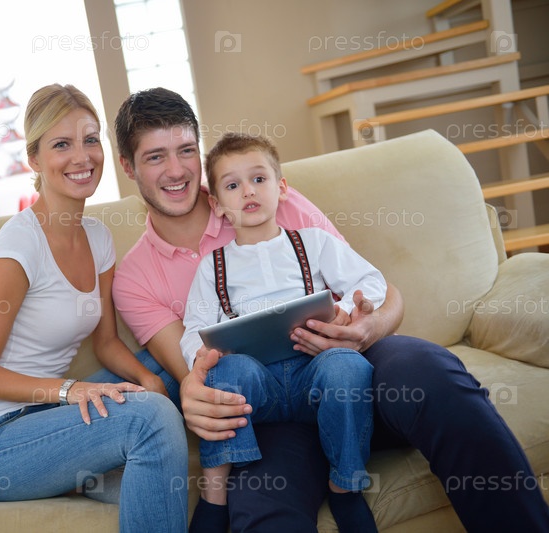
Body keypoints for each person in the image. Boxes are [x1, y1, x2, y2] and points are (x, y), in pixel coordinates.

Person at [111, 87, 549, 532]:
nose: (175, 170)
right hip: (267, 414)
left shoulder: (273, 198)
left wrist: (366, 328)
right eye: (155, 157)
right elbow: (195, 369)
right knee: (265, 515)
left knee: (429, 371)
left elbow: (378, 289)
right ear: (127, 166)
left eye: (186, 150)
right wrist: (195, 390)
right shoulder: (134, 278)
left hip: (347, 371)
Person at [0, 83, 188, 533]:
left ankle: (96, 470)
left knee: (178, 364)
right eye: (62, 144)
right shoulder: (18, 248)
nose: (82, 157)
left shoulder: (97, 237)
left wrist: (150, 380)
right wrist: (69, 390)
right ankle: (108, 463)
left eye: (90, 140)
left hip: (49, 418)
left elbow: (106, 342)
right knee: (151, 419)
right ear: (34, 159)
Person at [181, 132, 384, 532]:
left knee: (347, 365)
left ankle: (345, 487)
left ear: (282, 188)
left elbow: (371, 281)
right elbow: (193, 331)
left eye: (259, 179)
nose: (248, 191)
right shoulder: (212, 266)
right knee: (225, 372)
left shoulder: (313, 243)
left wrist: (345, 311)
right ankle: (215, 497)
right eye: (233, 186)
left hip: (314, 372)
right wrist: (203, 358)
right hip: (260, 390)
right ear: (217, 205)